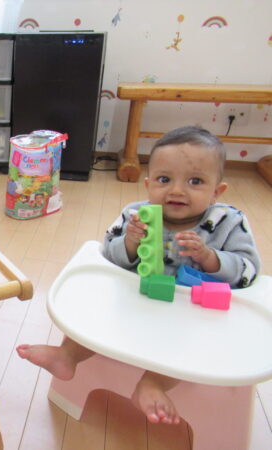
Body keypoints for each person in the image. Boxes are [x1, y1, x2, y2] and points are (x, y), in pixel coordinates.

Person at [17, 126, 261, 425]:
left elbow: (249, 270)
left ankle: (153, 383)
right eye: (164, 179)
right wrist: (130, 242)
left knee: (188, 349)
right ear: (148, 184)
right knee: (94, 313)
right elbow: (107, 254)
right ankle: (67, 355)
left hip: (189, 319)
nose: (176, 190)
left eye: (195, 181)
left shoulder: (228, 222)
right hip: (133, 306)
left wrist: (210, 258)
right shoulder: (135, 215)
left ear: (216, 192)